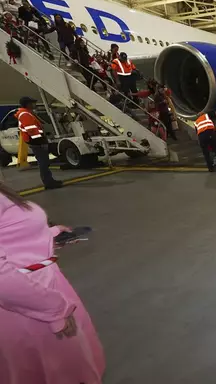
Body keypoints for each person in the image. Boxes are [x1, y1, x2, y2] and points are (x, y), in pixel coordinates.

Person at [0, 183, 105, 383]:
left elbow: (9, 233)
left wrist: (48, 235)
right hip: (30, 306)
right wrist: (55, 310)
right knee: (62, 370)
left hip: (37, 294)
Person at [16, 96, 62, 189]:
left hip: (37, 142)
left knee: (44, 163)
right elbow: (32, 131)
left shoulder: (27, 113)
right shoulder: (25, 114)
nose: (34, 104)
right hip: (37, 143)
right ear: (27, 104)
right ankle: (49, 183)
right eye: (32, 103)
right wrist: (41, 142)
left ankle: (50, 181)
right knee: (43, 163)